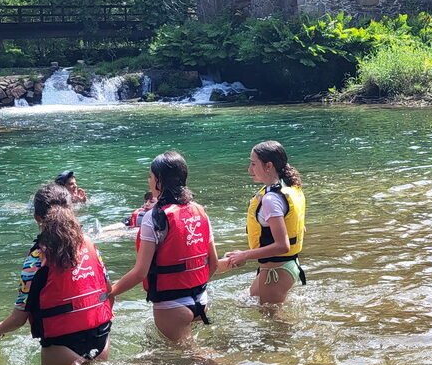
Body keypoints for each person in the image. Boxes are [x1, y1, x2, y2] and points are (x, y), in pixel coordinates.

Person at [0, 184, 114, 365]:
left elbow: (19, 318)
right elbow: (109, 292)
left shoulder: (36, 259)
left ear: (37, 217)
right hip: (101, 339)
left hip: (62, 347)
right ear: (71, 210)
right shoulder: (90, 245)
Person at [109, 151, 218, 343]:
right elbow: (214, 264)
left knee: (191, 357)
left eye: (150, 177)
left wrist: (110, 292)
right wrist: (193, 285)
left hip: (172, 305)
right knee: (185, 360)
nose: (148, 181)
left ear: (159, 181)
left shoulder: (154, 217)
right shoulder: (200, 210)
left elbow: (140, 273)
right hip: (201, 299)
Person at [220, 141, 307, 304]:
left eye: (253, 164)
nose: (249, 169)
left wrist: (244, 255)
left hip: (277, 271)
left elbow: (283, 246)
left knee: (274, 325)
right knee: (245, 301)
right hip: (286, 266)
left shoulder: (271, 199)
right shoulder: (289, 188)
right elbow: (299, 228)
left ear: (268, 166)